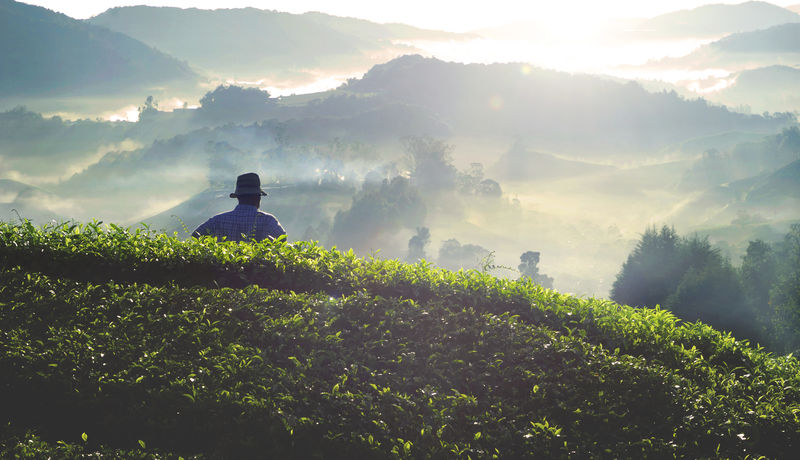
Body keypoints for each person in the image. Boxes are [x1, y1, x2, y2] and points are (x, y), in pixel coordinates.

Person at [192, 172, 286, 242]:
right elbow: (282, 241)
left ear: (238, 197)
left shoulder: (217, 220)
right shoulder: (268, 221)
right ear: (257, 198)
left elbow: (195, 236)